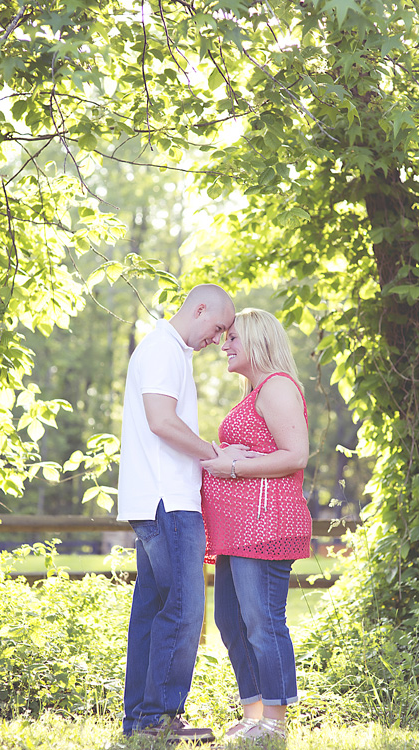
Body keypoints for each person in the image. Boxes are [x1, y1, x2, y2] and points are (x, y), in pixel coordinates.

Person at [117, 284, 239, 741]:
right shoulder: (163, 349)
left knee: (152, 609)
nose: (219, 338)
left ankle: (141, 722)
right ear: (199, 308)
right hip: (167, 500)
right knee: (185, 609)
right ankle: (158, 720)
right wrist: (216, 457)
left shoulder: (168, 351)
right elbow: (162, 421)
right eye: (219, 326)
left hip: (155, 499)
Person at [201, 308, 312, 744]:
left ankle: (276, 721)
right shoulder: (255, 393)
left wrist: (230, 467)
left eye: (232, 338)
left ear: (257, 341)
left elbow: (295, 455)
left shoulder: (278, 387)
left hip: (266, 527)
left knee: (263, 621)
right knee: (231, 619)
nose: (224, 345)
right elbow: (250, 453)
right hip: (240, 530)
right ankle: (253, 715)